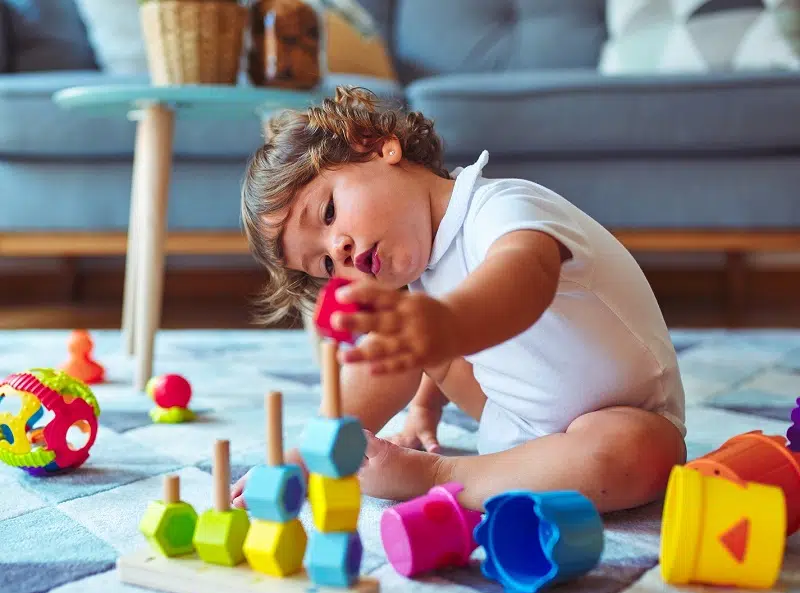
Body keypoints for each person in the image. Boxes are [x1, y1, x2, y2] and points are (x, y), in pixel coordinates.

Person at [232, 86, 686, 513]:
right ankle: (318, 449)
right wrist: (414, 409)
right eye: (326, 265)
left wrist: (444, 323)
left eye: (328, 213)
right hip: (515, 427)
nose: (338, 251)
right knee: (397, 344)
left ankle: (441, 476)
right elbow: (415, 353)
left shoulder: (500, 206)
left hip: (624, 418)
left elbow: (526, 277)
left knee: (636, 452)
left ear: (378, 146)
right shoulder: (424, 277)